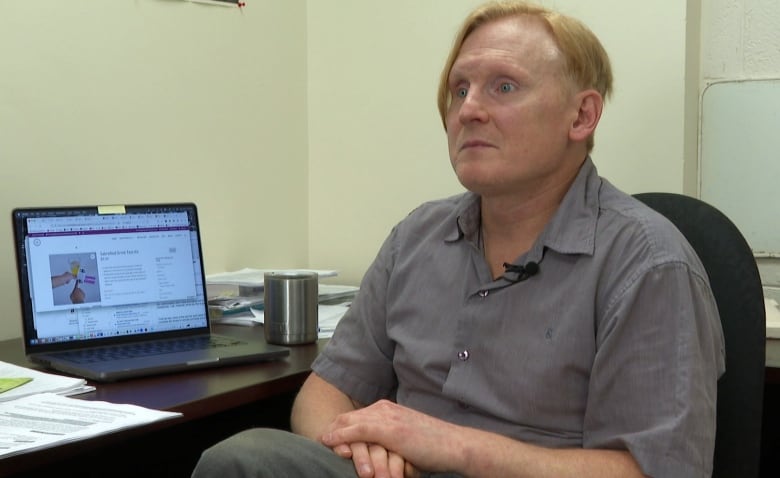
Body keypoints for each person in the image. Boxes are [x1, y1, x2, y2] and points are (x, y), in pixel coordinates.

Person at [191, 1, 724, 477]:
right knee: (245, 458)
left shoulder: (649, 263)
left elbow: (652, 470)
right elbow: (325, 393)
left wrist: (449, 446)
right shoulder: (418, 236)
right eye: (459, 89)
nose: (469, 109)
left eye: (504, 86)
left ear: (581, 115)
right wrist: (365, 451)